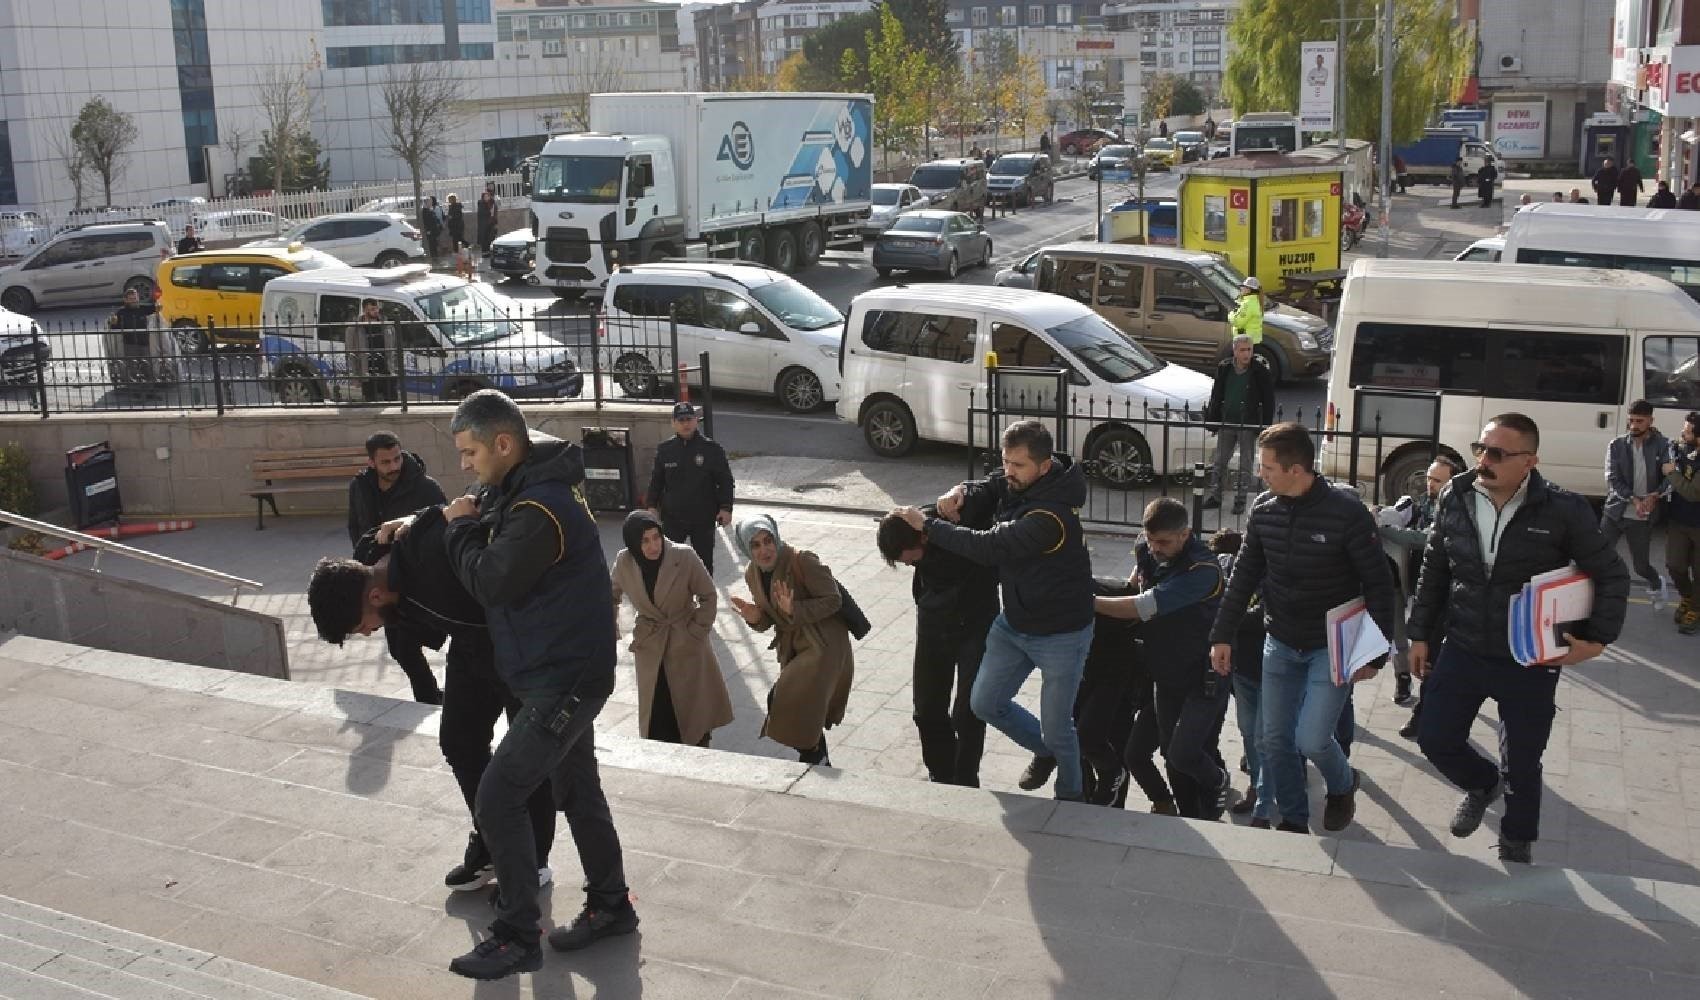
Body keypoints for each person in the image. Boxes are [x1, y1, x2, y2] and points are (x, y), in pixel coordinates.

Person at [440, 390, 633, 978]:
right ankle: (611, 903)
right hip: (560, 669)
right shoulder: (526, 482)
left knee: (499, 794)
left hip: (562, 679)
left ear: (503, 443)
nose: (465, 466)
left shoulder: (539, 507)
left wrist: (458, 533)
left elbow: (492, 579)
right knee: (576, 788)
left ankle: (518, 933)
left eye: (471, 453)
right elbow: (481, 502)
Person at [1410, 413, 1630, 864]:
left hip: (1528, 656)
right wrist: (1419, 636)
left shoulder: (1563, 510)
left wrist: (1596, 639)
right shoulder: (1456, 494)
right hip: (1465, 645)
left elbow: (1610, 573)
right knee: (1434, 737)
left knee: (1523, 763)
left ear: (1530, 461)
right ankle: (1480, 783)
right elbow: (1435, 568)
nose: (1483, 460)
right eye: (1481, 448)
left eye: (1498, 454)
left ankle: (1516, 841)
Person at [306, 511, 559, 902]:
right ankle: (493, 843)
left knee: (525, 757)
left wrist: (421, 518)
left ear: (374, 596)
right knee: (459, 742)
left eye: (363, 626)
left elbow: (463, 513)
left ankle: (532, 862)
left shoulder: (430, 555)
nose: (370, 631)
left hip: (517, 646)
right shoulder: (376, 555)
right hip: (472, 649)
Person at [1209, 422, 1396, 834]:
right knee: (1273, 741)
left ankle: (1342, 785)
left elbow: (1380, 585)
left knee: (1311, 740)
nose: (1261, 474)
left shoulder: (1347, 515)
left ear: (1297, 470)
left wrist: (1375, 654)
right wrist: (1222, 634)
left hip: (1330, 648)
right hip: (1279, 642)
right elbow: (1244, 575)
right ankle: (1293, 818)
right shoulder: (1263, 509)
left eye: (1268, 467)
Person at [895, 420, 1095, 800]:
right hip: (1015, 624)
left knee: (1058, 729)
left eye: (1018, 465)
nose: (1009, 471)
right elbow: (989, 486)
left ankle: (1072, 797)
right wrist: (961, 491)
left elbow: (990, 547)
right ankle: (1046, 751)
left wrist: (928, 526)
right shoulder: (1023, 482)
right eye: (1006, 461)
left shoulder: (1050, 517)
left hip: (1061, 634)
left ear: (1044, 466)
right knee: (984, 703)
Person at [1095, 499, 1232, 820]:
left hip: (1204, 676)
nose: (1155, 548)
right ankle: (1187, 817)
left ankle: (1217, 784)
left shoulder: (1202, 571)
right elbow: (1133, 585)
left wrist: (1087, 601)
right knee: (1171, 756)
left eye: (1164, 542)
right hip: (1166, 674)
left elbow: (1142, 605)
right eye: (1151, 539)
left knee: (1187, 753)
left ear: (1185, 534)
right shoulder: (1147, 546)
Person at [878, 508, 997, 787]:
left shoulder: (955, 529)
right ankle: (941, 774)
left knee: (967, 713)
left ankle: (966, 779)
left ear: (922, 539)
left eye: (910, 559)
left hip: (974, 625)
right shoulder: (913, 535)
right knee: (927, 708)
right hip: (934, 622)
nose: (909, 565)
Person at [729, 513, 854, 765]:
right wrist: (755, 617)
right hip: (796, 649)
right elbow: (770, 620)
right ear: (745, 548)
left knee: (784, 699)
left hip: (823, 647)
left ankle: (814, 756)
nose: (765, 549)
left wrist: (795, 609)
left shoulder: (802, 560)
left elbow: (833, 600)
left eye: (768, 540)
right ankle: (817, 758)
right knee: (802, 707)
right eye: (755, 544)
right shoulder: (752, 574)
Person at [611, 510, 733, 746]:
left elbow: (708, 595)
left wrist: (696, 632)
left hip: (685, 643)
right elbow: (610, 595)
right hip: (651, 645)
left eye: (656, 537)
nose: (653, 545)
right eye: (644, 541)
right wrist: (611, 628)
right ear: (633, 543)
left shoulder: (683, 556)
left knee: (692, 715)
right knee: (657, 715)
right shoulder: (624, 561)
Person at [346, 431, 449, 703]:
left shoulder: (426, 488)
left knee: (412, 639)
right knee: (401, 647)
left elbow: (442, 525)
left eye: (397, 458)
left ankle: (434, 695)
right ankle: (428, 695)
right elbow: (355, 525)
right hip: (380, 579)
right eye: (386, 462)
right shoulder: (360, 488)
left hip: (416, 579)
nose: (393, 466)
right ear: (371, 463)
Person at [1375, 456, 1460, 740]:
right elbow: (1403, 515)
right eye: (1429, 478)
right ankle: (1408, 685)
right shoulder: (1423, 502)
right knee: (1410, 642)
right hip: (1417, 586)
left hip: (1443, 595)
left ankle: (1425, 713)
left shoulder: (1454, 510)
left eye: (1437, 480)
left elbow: (1423, 539)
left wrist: (1385, 529)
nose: (1430, 485)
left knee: (1433, 658)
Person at [1213, 530, 1273, 826]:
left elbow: (1262, 616)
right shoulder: (1230, 569)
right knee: (1250, 733)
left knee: (1264, 737)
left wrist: (1225, 618)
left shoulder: (1277, 575)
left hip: (1273, 670)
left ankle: (1263, 802)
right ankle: (1259, 786)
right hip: (1242, 669)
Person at [647, 401, 734, 573]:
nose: (685, 424)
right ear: (673, 423)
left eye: (689, 419)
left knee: (704, 565)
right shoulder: (665, 450)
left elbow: (725, 481)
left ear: (696, 420)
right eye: (681, 420)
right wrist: (651, 506)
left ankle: (705, 599)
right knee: (670, 563)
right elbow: (656, 480)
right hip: (673, 519)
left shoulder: (712, 450)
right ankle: (677, 599)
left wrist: (726, 508)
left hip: (703, 518)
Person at [1600, 400, 1670, 609]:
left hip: (1642, 516)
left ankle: (1657, 584)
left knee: (1640, 566)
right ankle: (1598, 595)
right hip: (1615, 511)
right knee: (1598, 554)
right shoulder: (1617, 445)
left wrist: (1655, 495)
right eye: (1631, 421)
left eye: (1639, 421)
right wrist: (1634, 499)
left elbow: (1670, 478)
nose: (1634, 426)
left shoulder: (1664, 445)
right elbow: (1612, 479)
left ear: (1650, 420)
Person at [1203, 334, 1276, 514]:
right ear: (1235, 351)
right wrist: (1213, 420)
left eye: (1249, 350)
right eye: (1242, 350)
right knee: (1220, 460)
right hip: (1227, 420)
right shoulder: (1225, 368)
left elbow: (1269, 401)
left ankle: (1241, 499)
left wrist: (1264, 426)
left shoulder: (1259, 371)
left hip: (1247, 423)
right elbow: (1217, 395)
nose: (1246, 354)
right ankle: (1215, 495)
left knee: (1246, 462)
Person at [1661, 412, 1700, 634]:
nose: (1682, 433)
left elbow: (1693, 492)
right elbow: (1666, 444)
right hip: (1679, 521)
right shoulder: (1682, 447)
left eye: (1687, 430)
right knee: (1675, 565)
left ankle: (1695, 608)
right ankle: (1687, 596)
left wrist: (1671, 474)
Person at [349, 297, 397, 402]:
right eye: (372, 309)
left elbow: (394, 348)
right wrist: (355, 376)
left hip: (385, 370)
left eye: (377, 309)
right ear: (365, 310)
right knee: (371, 403)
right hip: (367, 371)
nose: (376, 311)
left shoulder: (386, 325)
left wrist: (393, 368)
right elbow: (351, 354)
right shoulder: (354, 328)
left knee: (393, 401)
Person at [1229, 277, 1263, 346]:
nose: (1241, 289)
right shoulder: (1254, 301)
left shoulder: (1247, 304)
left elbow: (1238, 323)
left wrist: (1231, 314)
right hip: (1251, 340)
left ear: (1248, 289)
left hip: (1245, 341)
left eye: (1243, 287)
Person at [476, 185, 500, 255]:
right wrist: (489, 212)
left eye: (488, 196)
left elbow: (495, 213)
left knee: (491, 237)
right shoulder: (481, 204)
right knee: (484, 238)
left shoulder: (492, 203)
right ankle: (484, 252)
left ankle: (489, 251)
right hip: (484, 224)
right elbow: (482, 213)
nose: (487, 198)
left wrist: (495, 222)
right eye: (485, 197)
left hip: (491, 223)